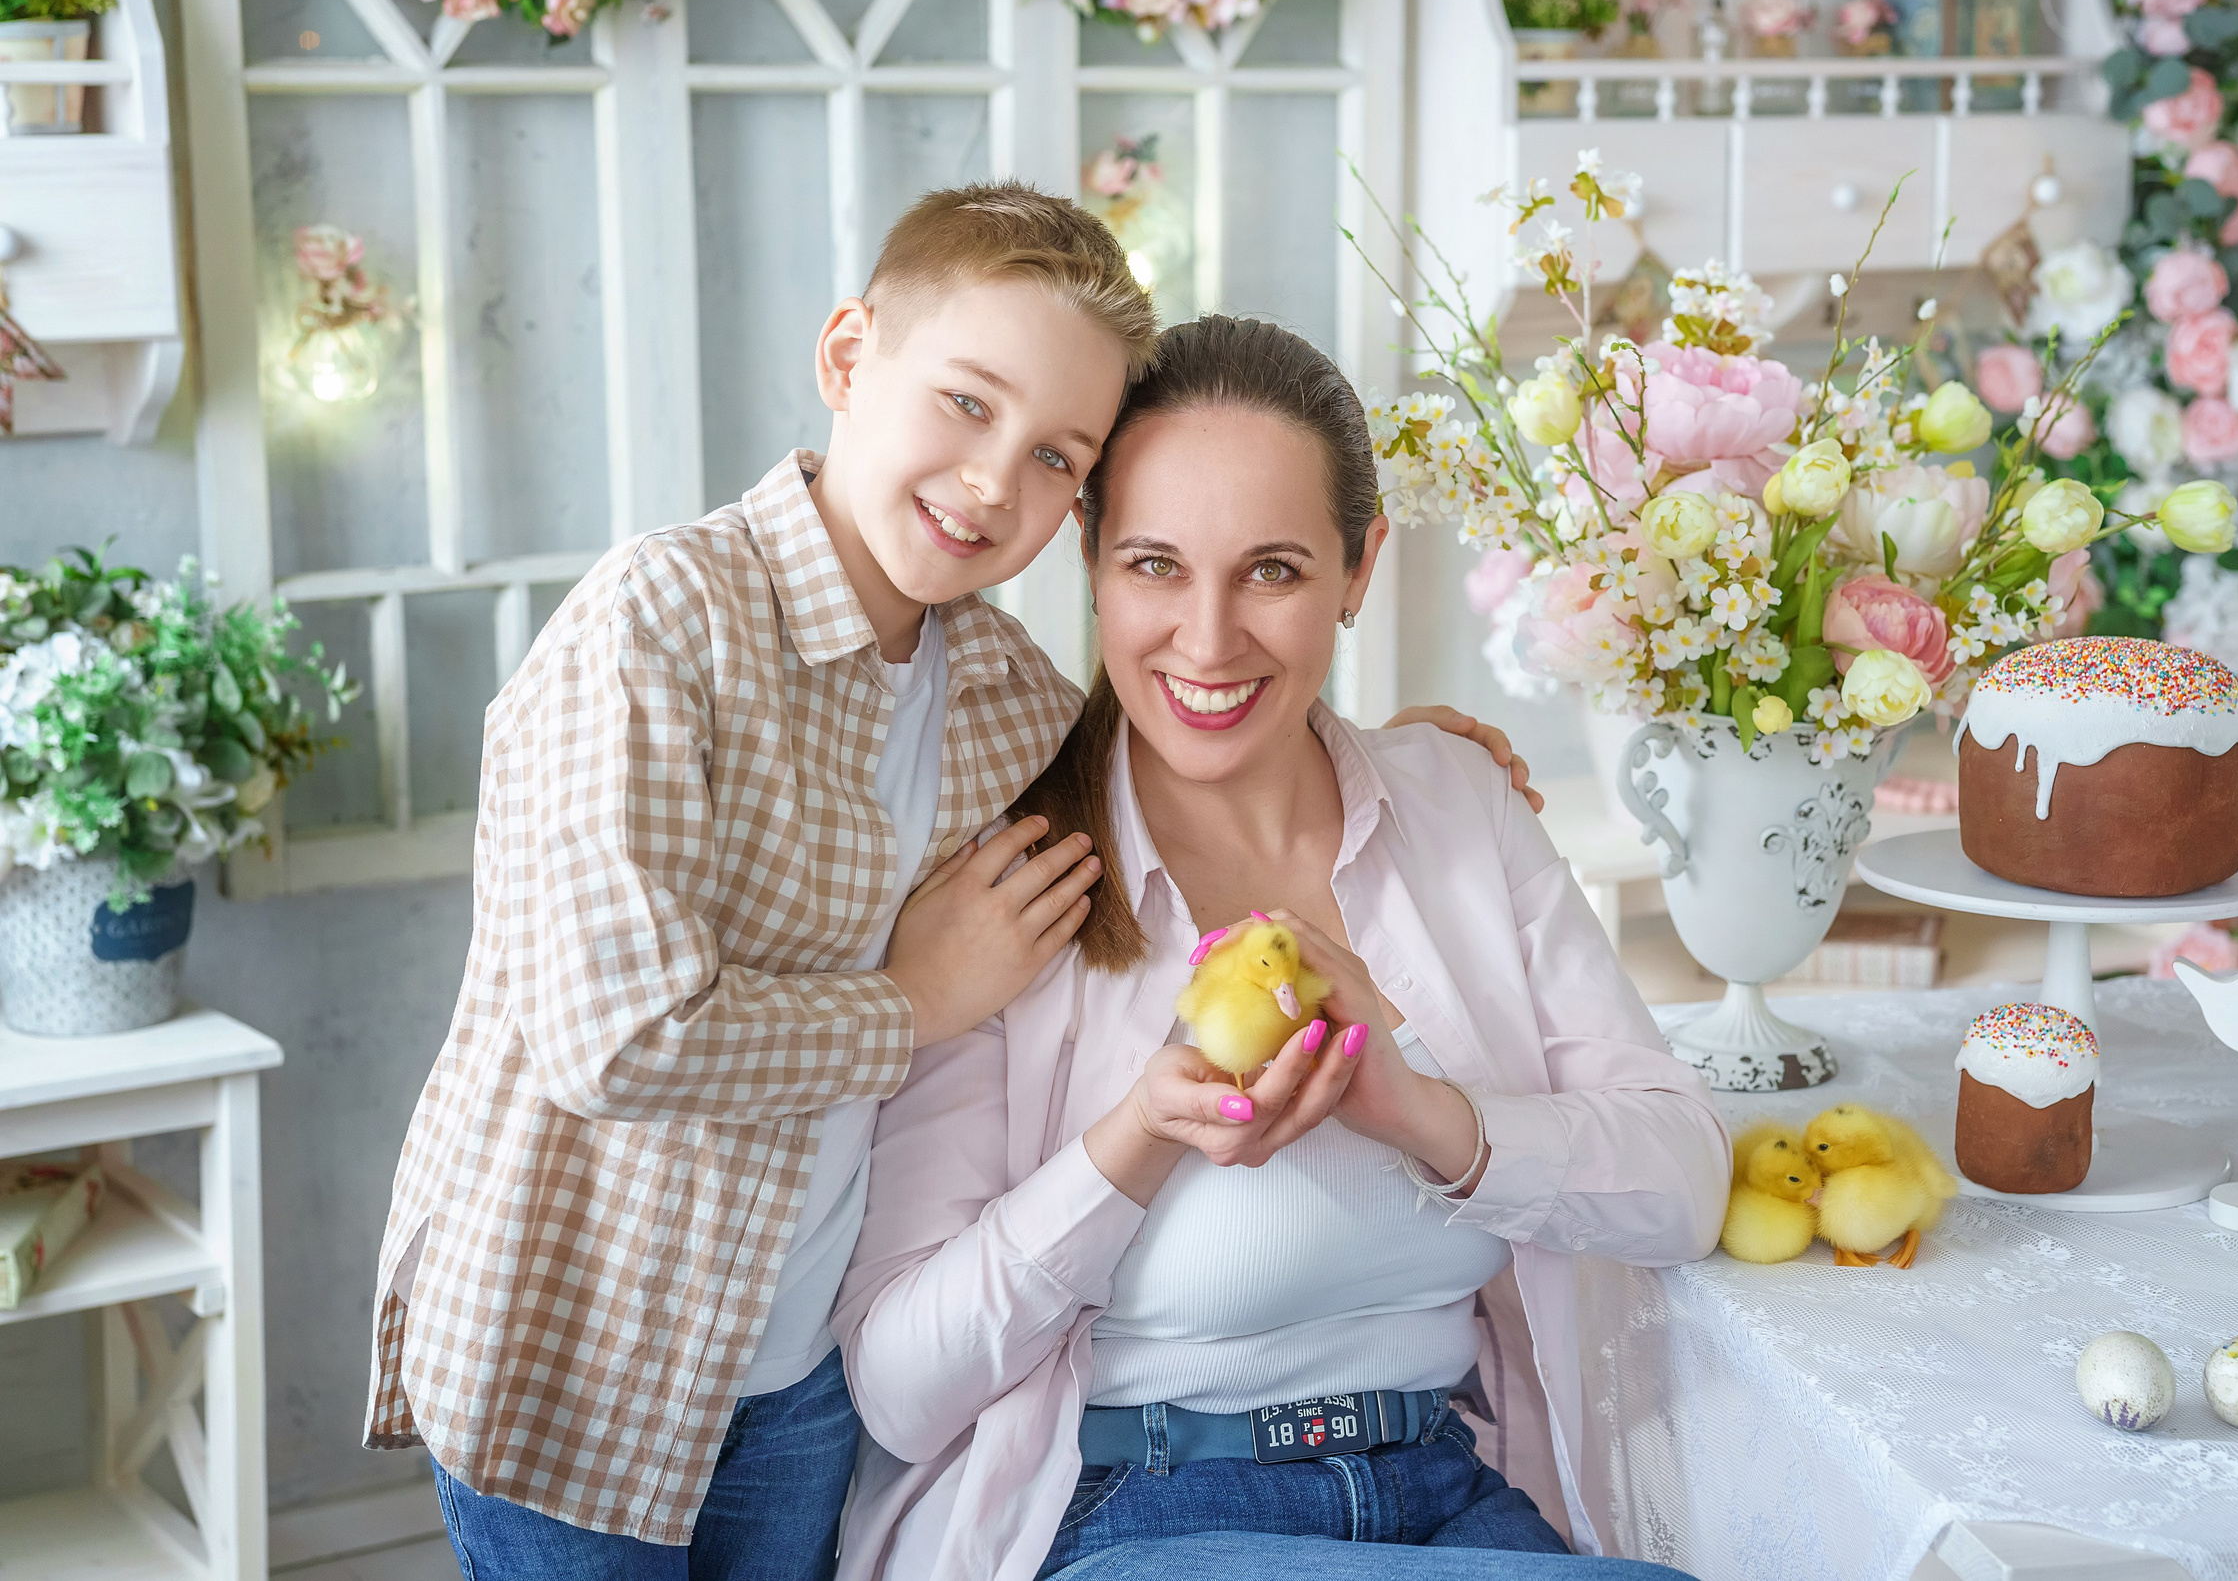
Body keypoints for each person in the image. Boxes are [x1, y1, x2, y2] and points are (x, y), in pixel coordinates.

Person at [364, 188, 1530, 1581]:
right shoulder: (656, 622)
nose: (994, 484)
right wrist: (909, 999)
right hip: (588, 1342)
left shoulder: (995, 692)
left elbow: (1184, 715)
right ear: (851, 358)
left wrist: (1397, 745)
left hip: (794, 1374)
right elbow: (614, 1035)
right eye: (965, 404)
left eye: (1054, 456)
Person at [834, 316, 1728, 1581]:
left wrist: (1422, 1111)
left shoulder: (1456, 807)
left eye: (1272, 571)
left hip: (1446, 1495)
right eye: (1153, 564)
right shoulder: (1006, 884)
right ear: (1088, 559)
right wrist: (1136, 1136)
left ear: (1359, 568)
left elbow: (1682, 1180)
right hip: (1134, 1514)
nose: (1206, 641)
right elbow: (897, 1384)